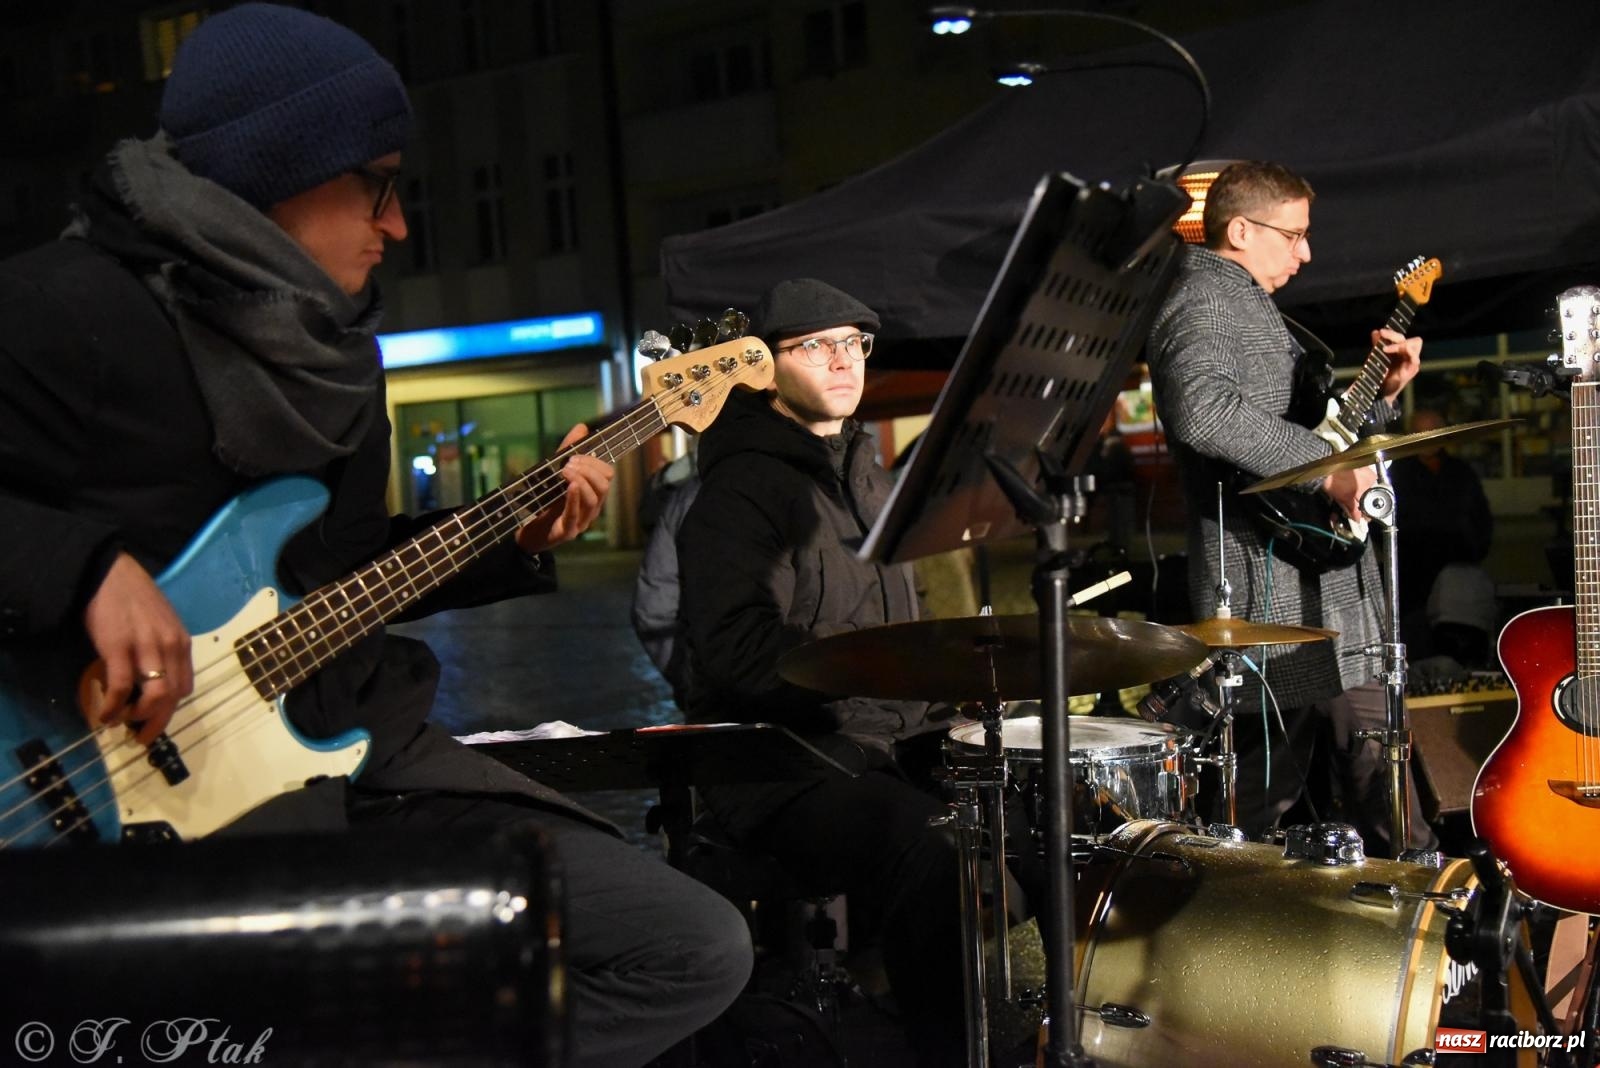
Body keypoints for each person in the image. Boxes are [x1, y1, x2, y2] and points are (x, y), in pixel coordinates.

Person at [0, 6, 749, 1066]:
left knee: (692, 945)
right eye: (377, 182)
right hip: (112, 808)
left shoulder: (337, 352)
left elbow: (333, 575)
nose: (396, 225)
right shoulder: (65, 308)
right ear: (276, 174)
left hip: (350, 757)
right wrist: (80, 570)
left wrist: (508, 534)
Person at [675, 278, 966, 1067]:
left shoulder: (870, 477)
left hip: (889, 743)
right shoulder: (738, 493)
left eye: (855, 343)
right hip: (785, 765)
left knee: (1057, 810)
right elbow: (735, 656)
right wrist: (873, 660)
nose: (845, 360)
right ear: (765, 367)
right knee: (929, 851)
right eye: (817, 345)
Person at [1146, 160, 1436, 855]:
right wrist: (1325, 476)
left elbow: (1307, 424)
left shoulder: (1244, 300)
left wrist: (1385, 396)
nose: (1307, 252)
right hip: (1272, 593)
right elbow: (1204, 414)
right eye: (1294, 234)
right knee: (1265, 809)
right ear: (1240, 229)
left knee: (1371, 784)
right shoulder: (1208, 300)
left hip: (1315, 593)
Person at [1388, 407, 1495, 663]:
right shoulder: (1397, 474)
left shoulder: (1461, 472)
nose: (1427, 439)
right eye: (1420, 432)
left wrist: (1471, 551)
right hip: (1412, 580)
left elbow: (1482, 519)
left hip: (1456, 576)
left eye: (1433, 432)